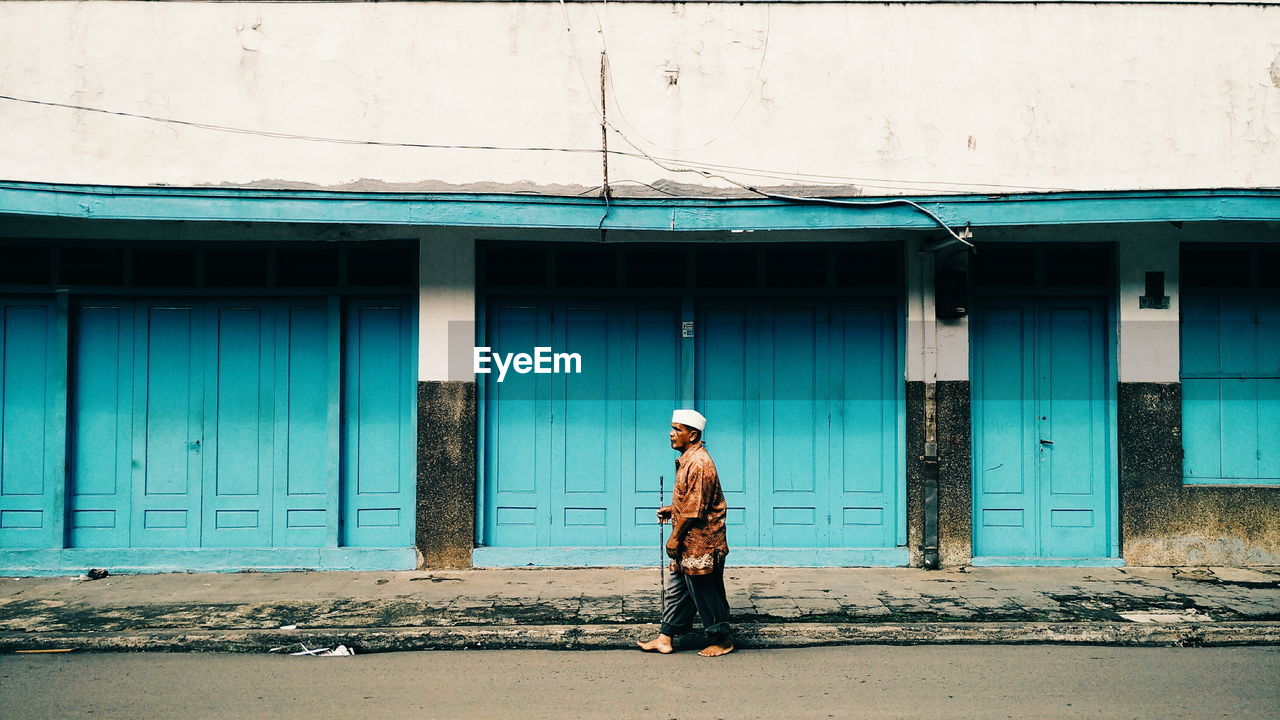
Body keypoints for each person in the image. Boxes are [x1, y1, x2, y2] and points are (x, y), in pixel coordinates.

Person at [638, 409, 733, 658]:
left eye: (677, 430)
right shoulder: (688, 460)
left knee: (704, 592)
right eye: (672, 428)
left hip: (702, 542)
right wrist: (674, 509)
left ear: (692, 435)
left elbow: (694, 511)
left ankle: (721, 640)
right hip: (690, 543)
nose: (671, 434)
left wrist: (675, 536)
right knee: (680, 590)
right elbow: (692, 501)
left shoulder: (699, 463)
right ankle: (665, 637)